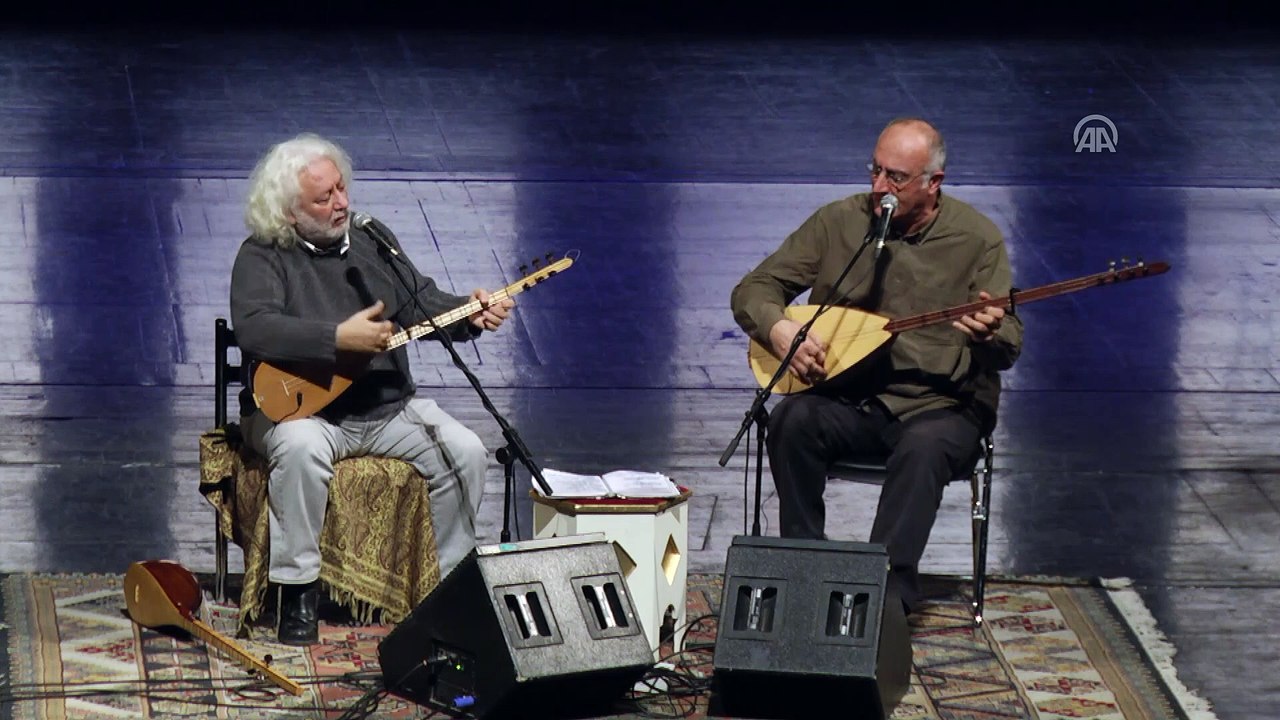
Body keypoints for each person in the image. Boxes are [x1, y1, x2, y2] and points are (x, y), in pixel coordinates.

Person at [729, 117, 1023, 614]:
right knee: (792, 421)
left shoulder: (977, 240)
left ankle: (883, 596)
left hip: (941, 408)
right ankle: (804, 573)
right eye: (875, 171)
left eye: (897, 178)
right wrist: (778, 329)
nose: (879, 188)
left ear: (934, 184)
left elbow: (1010, 344)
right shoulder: (840, 223)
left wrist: (991, 332)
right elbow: (755, 288)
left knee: (923, 448)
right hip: (854, 400)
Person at [230, 133, 514, 645]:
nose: (341, 203)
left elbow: (421, 301)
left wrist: (471, 314)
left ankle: (448, 592)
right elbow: (254, 327)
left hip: (387, 411)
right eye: (324, 198)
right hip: (307, 416)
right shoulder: (263, 254)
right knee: (297, 451)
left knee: (466, 452)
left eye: (341, 189)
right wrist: (336, 338)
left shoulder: (371, 240)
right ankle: (297, 596)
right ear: (290, 213)